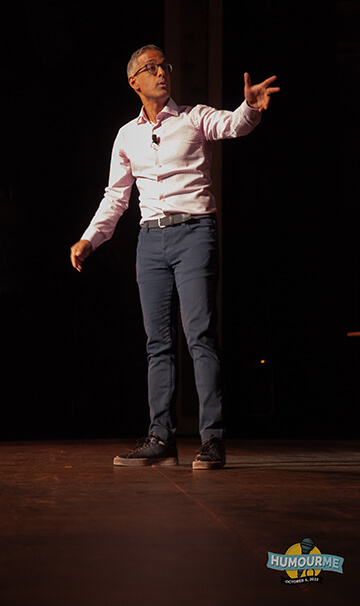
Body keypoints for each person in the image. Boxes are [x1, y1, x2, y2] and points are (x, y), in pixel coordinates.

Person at [70, 44, 279, 469]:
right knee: (158, 343)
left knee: (200, 335)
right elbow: (116, 197)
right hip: (150, 240)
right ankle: (160, 437)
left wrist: (250, 108)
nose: (162, 72)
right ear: (135, 82)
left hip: (195, 232)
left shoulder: (194, 117)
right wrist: (89, 239)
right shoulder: (127, 135)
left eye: (164, 65)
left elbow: (232, 124)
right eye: (152, 68)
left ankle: (212, 439)